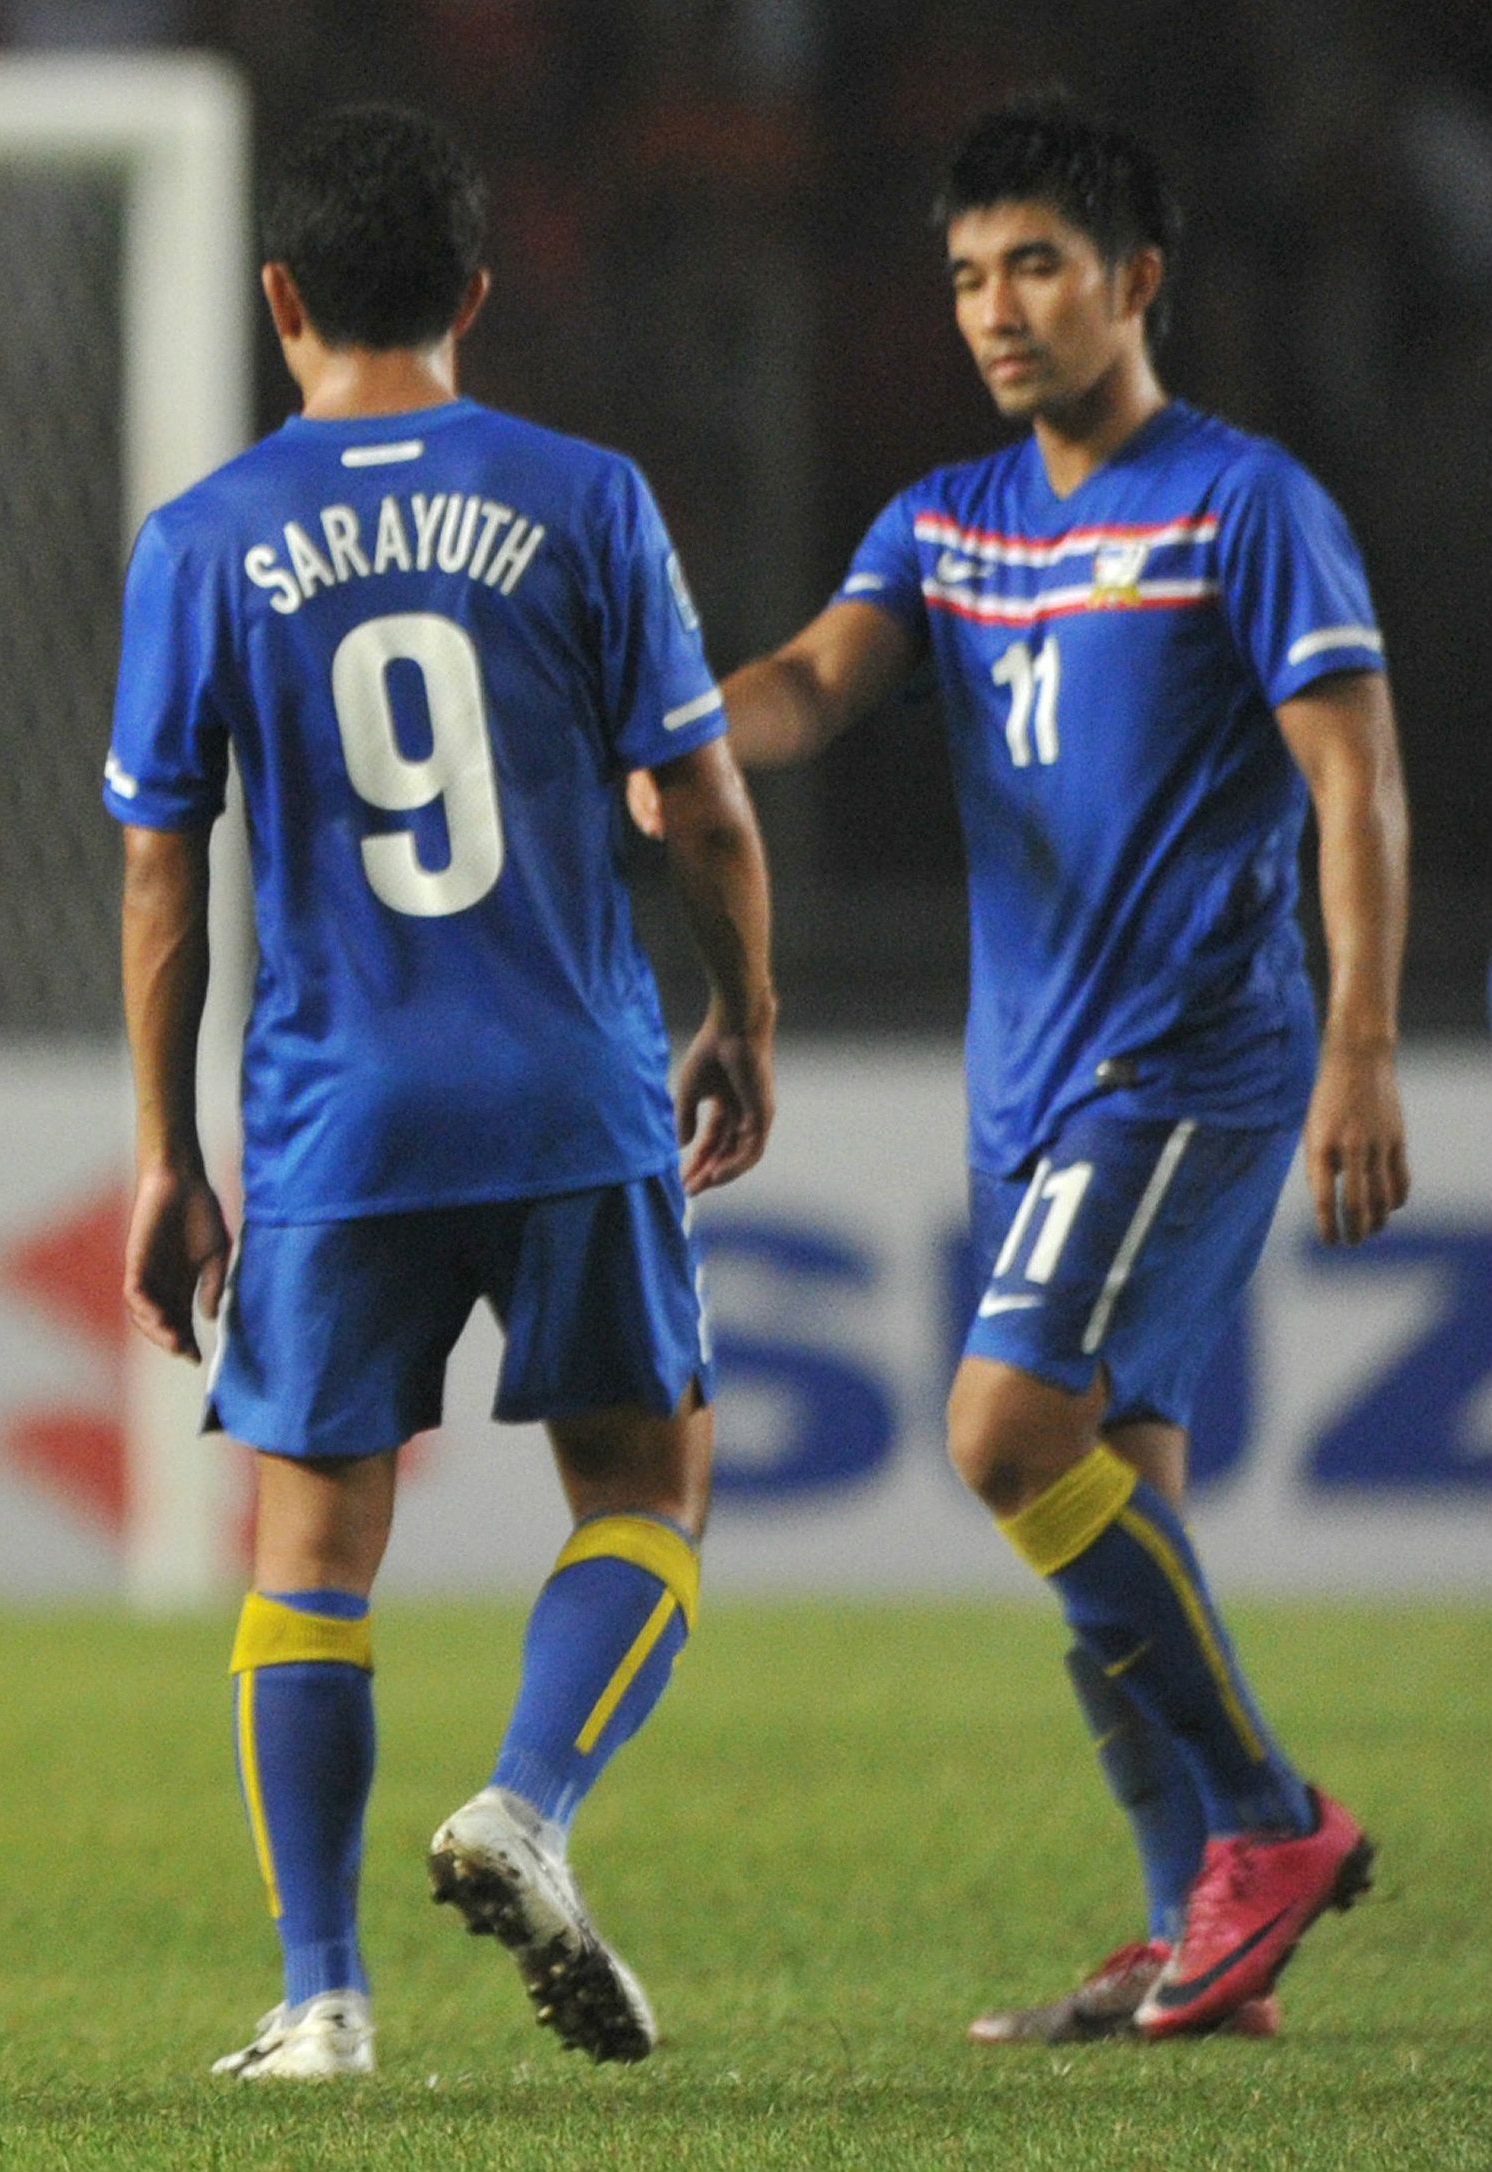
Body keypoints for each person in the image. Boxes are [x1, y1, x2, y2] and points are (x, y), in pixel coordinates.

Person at [663, 93, 1396, 2044]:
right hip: (1030, 1085)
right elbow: (816, 681)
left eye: (1035, 268)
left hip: (1184, 1063)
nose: (994, 310)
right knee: (1106, 1495)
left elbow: (1353, 781)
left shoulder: (1242, 506)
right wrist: (671, 725)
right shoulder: (948, 520)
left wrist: (1356, 1045)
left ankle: (1267, 1823)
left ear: (1133, 282)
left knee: (1000, 1434)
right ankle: (1191, 1942)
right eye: (968, 275)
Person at [111, 104, 777, 2082]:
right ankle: (529, 1802)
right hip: (572, 1085)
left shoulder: (203, 538)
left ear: (277, 299)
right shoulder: (584, 499)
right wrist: (740, 1004)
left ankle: (320, 2000)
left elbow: (162, 868)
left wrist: (164, 1153)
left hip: (338, 1113)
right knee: (646, 1493)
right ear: (477, 295)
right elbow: (701, 802)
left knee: (306, 1553)